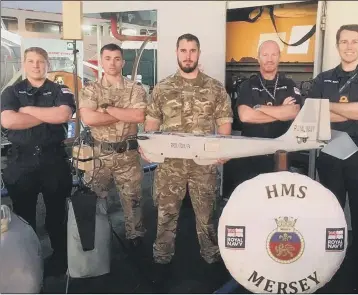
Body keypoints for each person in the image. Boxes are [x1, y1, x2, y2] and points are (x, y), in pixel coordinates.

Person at [141, 33, 233, 270]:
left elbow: (224, 124)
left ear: (198, 53)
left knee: (207, 216)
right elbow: (151, 123)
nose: (188, 56)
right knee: (165, 215)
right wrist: (148, 148)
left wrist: (222, 149)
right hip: (171, 166)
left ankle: (211, 255)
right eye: (184, 50)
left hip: (204, 165)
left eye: (193, 51)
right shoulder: (162, 88)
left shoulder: (214, 88)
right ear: (177, 53)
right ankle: (162, 256)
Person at [308, 24, 358, 293]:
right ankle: (330, 267)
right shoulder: (323, 78)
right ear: (337, 45)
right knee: (331, 215)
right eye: (344, 41)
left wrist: (330, 108)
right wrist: (351, 111)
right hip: (331, 152)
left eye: (354, 41)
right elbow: (313, 114)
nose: (349, 46)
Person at [1, 47, 75, 276]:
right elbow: (8, 121)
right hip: (21, 162)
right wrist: (45, 115)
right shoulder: (11, 92)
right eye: (31, 61)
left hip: (53, 160)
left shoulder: (60, 90)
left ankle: (61, 261)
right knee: (24, 220)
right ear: (24, 64)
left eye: (41, 61)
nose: (36, 65)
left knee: (56, 218)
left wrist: (27, 110)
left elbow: (62, 115)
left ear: (47, 65)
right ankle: (28, 264)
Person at [79, 43, 147, 247]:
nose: (112, 63)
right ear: (101, 61)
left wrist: (107, 109)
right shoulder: (91, 89)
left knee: (133, 201)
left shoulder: (135, 89)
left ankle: (135, 239)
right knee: (94, 200)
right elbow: (89, 119)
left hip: (128, 155)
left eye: (117, 58)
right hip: (99, 155)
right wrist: (121, 114)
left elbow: (139, 115)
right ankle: (95, 240)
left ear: (123, 62)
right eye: (107, 58)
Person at [234, 40, 302, 185]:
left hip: (281, 156)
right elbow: (245, 116)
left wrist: (260, 107)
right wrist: (280, 111)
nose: (269, 59)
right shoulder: (248, 85)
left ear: (279, 57)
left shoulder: (289, 84)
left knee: (278, 201)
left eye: (273, 54)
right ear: (258, 57)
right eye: (265, 55)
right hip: (251, 157)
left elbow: (294, 112)